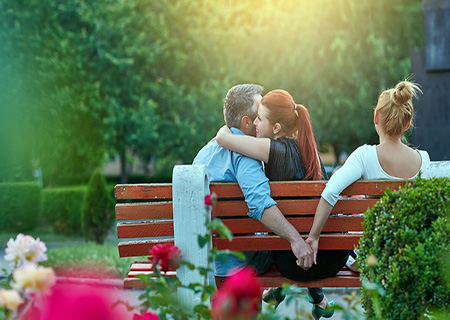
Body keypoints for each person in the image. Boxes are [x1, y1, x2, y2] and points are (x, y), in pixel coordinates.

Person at [216, 89, 348, 319]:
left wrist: (225, 127)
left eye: (260, 118)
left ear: (276, 128)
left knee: (277, 233)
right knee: (301, 227)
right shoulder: (310, 150)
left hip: (292, 262)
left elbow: (223, 139)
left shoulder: (272, 150)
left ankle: (281, 289)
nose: (255, 122)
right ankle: (317, 298)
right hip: (332, 257)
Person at [303, 80, 431, 271]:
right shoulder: (424, 159)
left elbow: (330, 192)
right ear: (408, 123)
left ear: (376, 117)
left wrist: (313, 238)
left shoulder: (365, 155)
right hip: (413, 255)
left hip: (374, 257)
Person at [193, 84, 311, 281]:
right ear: (246, 122)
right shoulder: (245, 157)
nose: (259, 120)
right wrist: (296, 240)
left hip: (204, 262)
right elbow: (260, 205)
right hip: (239, 265)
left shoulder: (205, 151)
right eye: (259, 115)